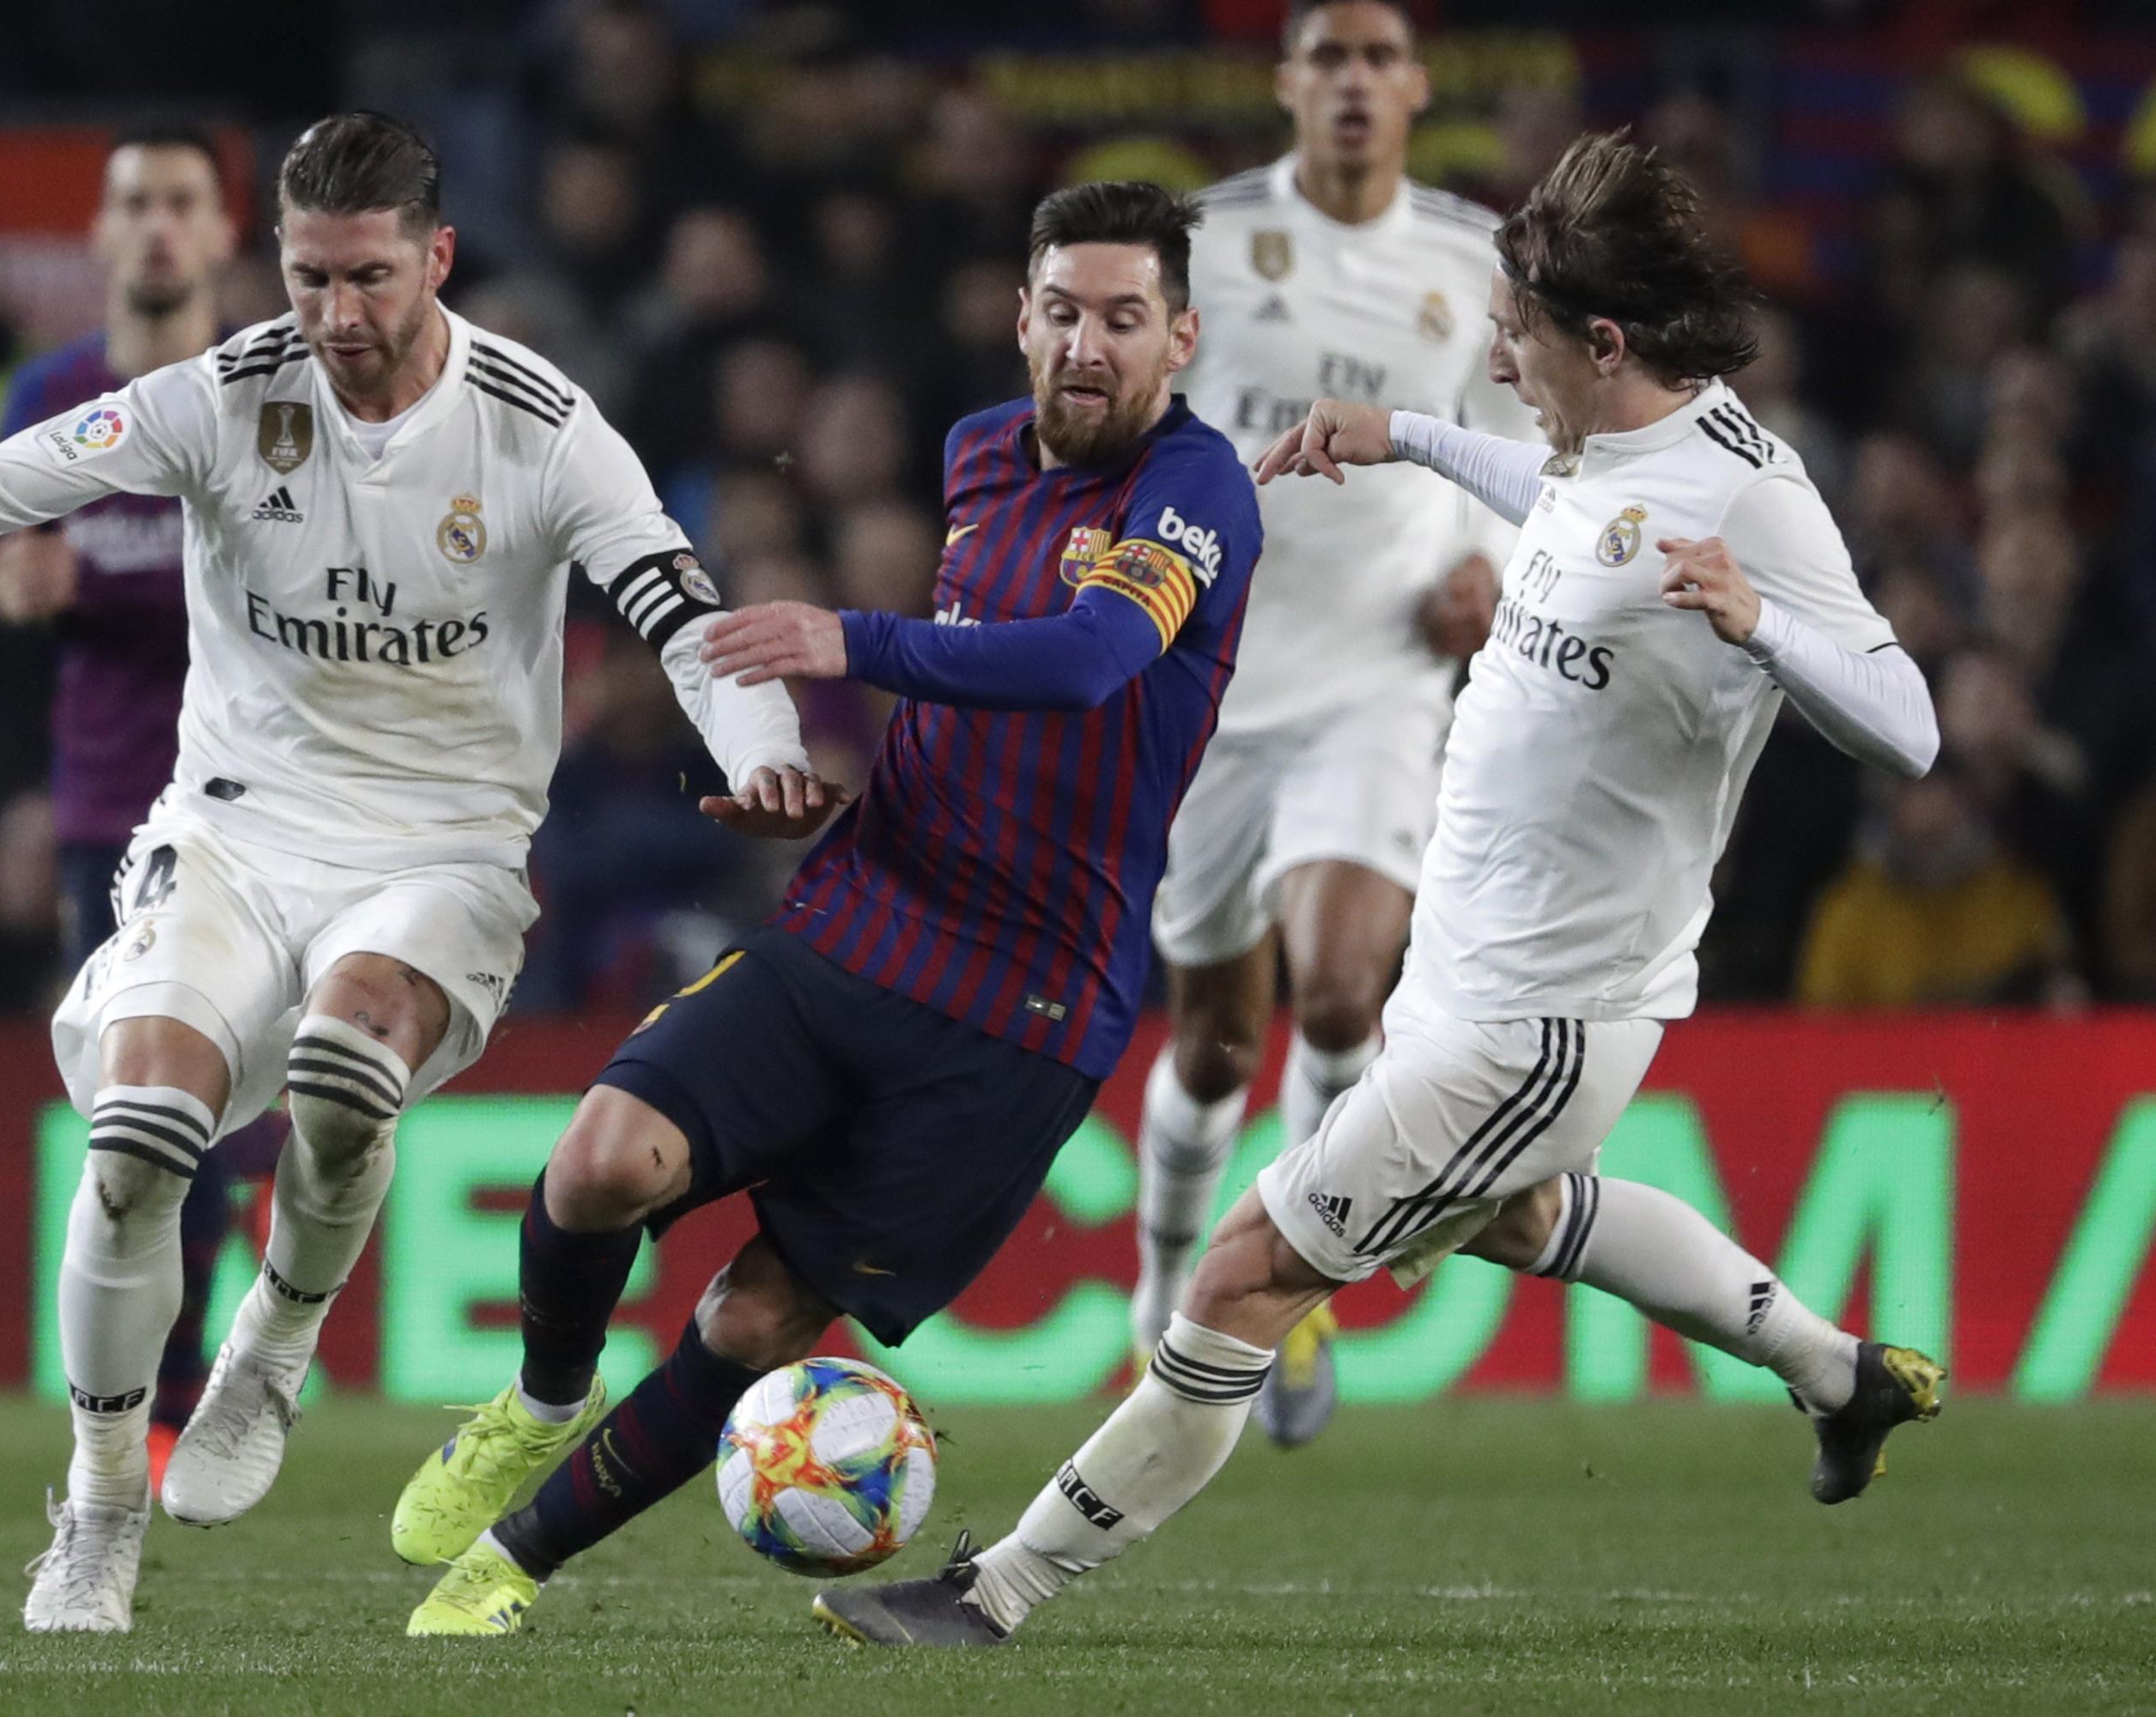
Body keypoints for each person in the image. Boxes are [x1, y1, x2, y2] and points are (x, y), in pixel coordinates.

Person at [0, 112, 835, 1635]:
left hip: (442, 846)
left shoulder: (539, 424)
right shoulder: (224, 399)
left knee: (349, 1069)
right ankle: (94, 1505)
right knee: (139, 1134)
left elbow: (678, 606)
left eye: (367, 280)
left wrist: (756, 744)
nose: (338, 321)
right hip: (233, 827)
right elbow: (1, 482)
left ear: (437, 256)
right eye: (306, 281)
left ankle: (274, 1345)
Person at [817, 132, 1946, 1651]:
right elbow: (1555, 501)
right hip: (1468, 974)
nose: (1495, 353)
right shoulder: (1602, 448)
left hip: (1544, 1010)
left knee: (1251, 1268)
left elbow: (1910, 724)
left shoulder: (1753, 503)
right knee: (1523, 1213)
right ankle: (1838, 1374)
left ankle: (994, 1591)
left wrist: (1759, 627)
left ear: (1601, 344)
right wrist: (1406, 435)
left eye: (1515, 336)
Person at [390, 179, 1262, 1641]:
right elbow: (980, 694)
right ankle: (544, 1396)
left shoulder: (1197, 491)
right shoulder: (979, 457)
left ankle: (512, 1565)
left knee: (755, 1317)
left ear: (1179, 337)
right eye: (1061, 312)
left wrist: (841, 637)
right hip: (864, 915)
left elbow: (1088, 660)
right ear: (1024, 320)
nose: (1087, 345)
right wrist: (822, 790)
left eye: (1123, 318)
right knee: (604, 1161)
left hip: (1023, 1009)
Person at [1136, 0, 1534, 1445]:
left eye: (1380, 58)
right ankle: (1168, 1271)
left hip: (1379, 675)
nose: (1356, 83)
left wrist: (1491, 570)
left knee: (1349, 994)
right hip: (1215, 682)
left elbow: (1539, 446)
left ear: (1418, 86)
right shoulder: (1205, 242)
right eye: (1330, 59)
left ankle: (1278, 1292)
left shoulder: (1476, 261)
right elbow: (1116, 411)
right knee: (1212, 1049)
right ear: (1288, 85)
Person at [0, 124, 283, 1489]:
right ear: (102, 235)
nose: (158, 228)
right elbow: (14, 582)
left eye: (181, 203)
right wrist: (41, 589)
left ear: (223, 235)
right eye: (134, 206)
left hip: (267, 801)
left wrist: (95, 590)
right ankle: (156, 1393)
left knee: (209, 1123)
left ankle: (173, 1401)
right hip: (111, 806)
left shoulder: (270, 392)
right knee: (141, 1114)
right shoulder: (53, 395)